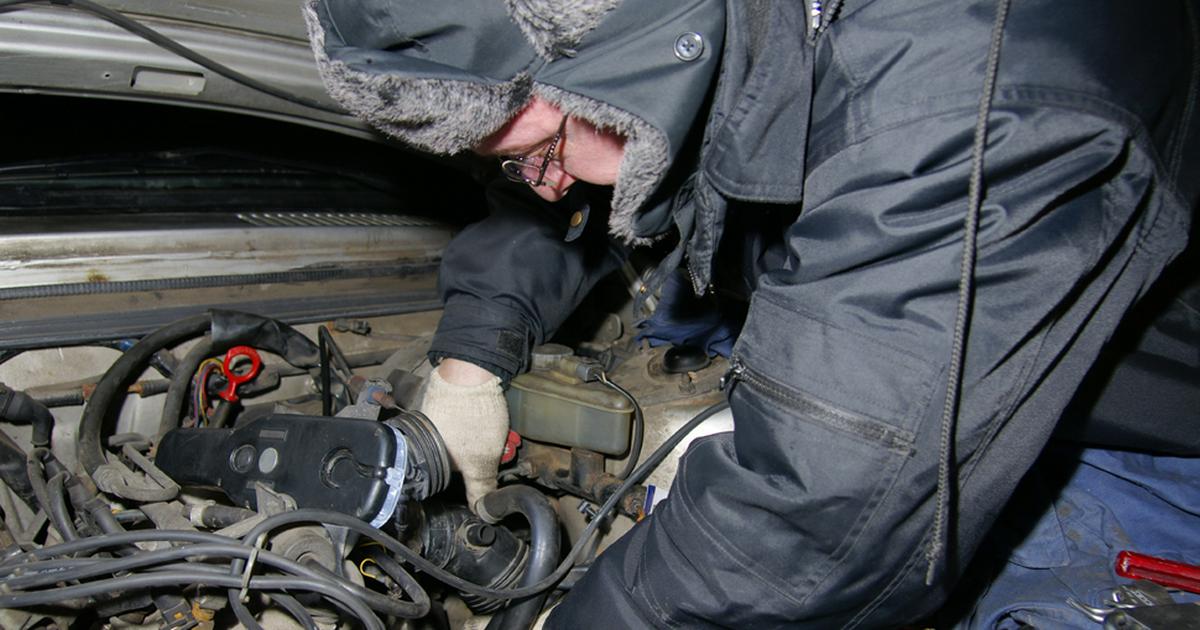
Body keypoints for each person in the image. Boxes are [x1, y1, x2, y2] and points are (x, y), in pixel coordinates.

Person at [304, 0, 1200, 626]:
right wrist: (471, 356)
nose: (548, 182)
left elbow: (825, 513)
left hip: (1125, 429)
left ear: (619, 47)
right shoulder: (681, 43)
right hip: (870, 323)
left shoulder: (971, 81)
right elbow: (574, 186)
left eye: (540, 149)